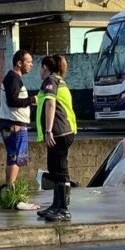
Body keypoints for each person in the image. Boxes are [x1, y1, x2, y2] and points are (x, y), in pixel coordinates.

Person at [35, 55, 77, 222]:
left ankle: (64, 209)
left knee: (60, 171)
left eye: (40, 67)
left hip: (59, 132)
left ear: (45, 67)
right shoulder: (59, 80)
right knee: (54, 169)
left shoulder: (50, 80)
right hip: (64, 132)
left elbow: (51, 104)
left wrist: (48, 130)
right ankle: (56, 206)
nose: (39, 71)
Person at [0, 49, 39, 210]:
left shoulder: (14, 78)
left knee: (15, 158)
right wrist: (32, 100)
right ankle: (10, 191)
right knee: (14, 158)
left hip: (15, 124)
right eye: (28, 62)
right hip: (14, 125)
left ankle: (10, 190)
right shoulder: (13, 79)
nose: (31, 65)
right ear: (19, 63)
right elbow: (13, 101)